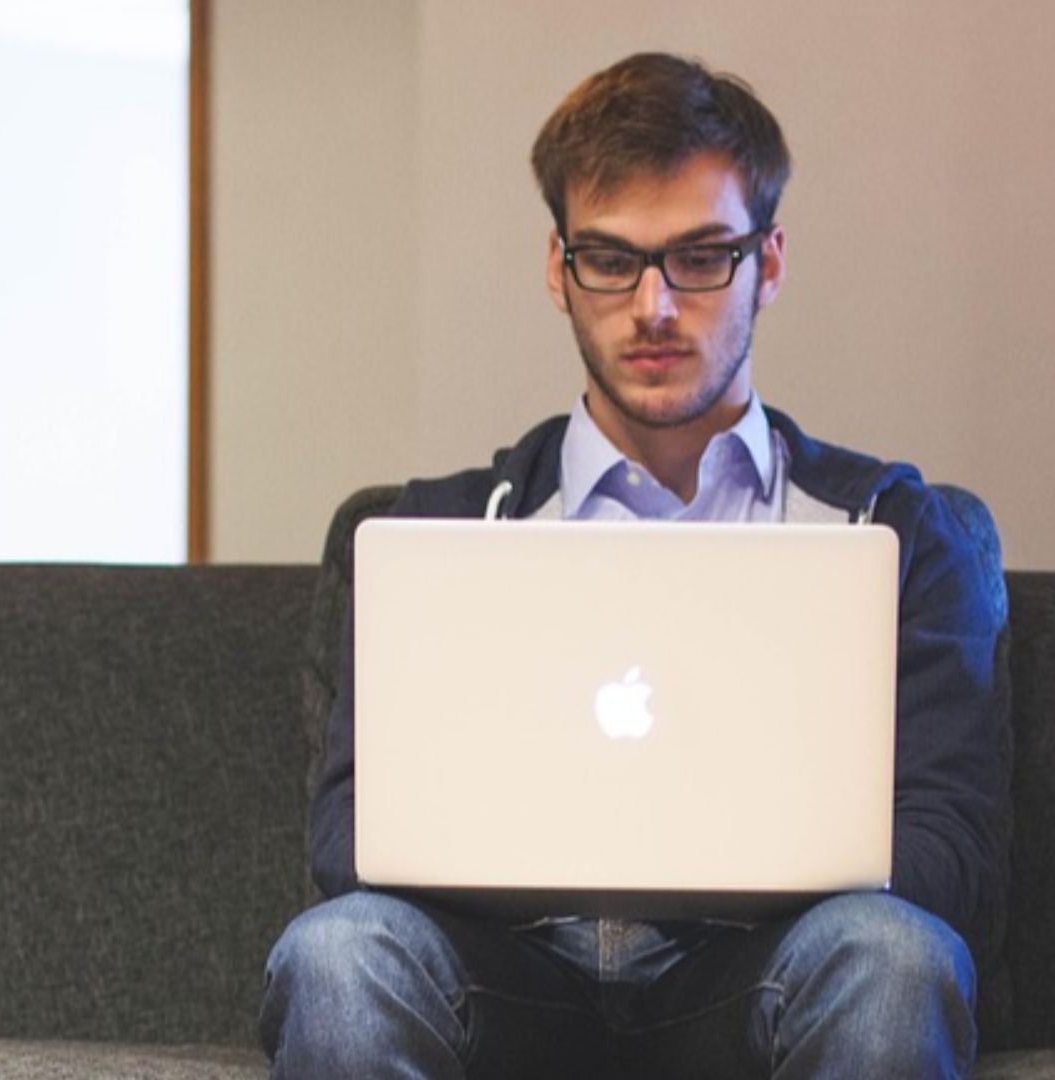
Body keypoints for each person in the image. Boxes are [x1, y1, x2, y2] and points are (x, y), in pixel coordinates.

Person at [259, 52, 1010, 1080]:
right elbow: (348, 837)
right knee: (338, 958)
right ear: (557, 267)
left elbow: (954, 855)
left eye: (701, 258)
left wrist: (712, 868)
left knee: (894, 958)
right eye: (611, 259)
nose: (654, 306)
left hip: (767, 974)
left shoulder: (897, 531)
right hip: (507, 978)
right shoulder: (434, 531)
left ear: (769, 262)